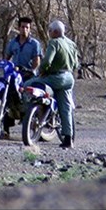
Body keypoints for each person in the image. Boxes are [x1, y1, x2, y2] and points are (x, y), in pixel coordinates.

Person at [24, 19, 79, 149]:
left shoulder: (54, 43)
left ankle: (30, 113)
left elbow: (47, 62)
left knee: (28, 84)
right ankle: (68, 138)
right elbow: (76, 64)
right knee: (65, 107)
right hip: (69, 78)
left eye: (49, 31)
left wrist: (41, 72)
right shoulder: (71, 44)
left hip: (56, 77)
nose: (48, 33)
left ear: (55, 32)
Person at [2, 16, 42, 138]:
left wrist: (31, 70)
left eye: (27, 27)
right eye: (22, 27)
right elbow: (7, 58)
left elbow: (37, 61)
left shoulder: (35, 44)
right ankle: (5, 128)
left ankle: (30, 123)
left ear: (30, 29)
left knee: (26, 97)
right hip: (14, 74)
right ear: (18, 28)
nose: (24, 29)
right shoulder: (12, 43)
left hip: (28, 75)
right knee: (5, 93)